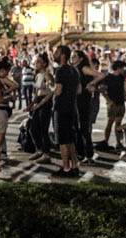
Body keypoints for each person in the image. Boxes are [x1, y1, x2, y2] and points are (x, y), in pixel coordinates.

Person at [52, 45, 80, 177]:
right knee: (71, 139)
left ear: (63, 55)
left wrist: (52, 89)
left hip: (61, 108)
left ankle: (66, 168)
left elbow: (58, 90)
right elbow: (79, 90)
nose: (54, 54)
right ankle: (75, 165)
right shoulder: (74, 71)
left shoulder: (60, 70)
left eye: (57, 52)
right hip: (72, 108)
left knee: (63, 140)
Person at [96, 60, 126, 151]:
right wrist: (109, 100)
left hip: (121, 103)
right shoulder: (108, 77)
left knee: (118, 124)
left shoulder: (121, 77)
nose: (124, 70)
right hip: (113, 104)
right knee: (110, 123)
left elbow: (123, 90)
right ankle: (106, 142)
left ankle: (118, 143)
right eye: (123, 68)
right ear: (118, 68)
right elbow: (101, 90)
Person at [26, 52, 53, 162]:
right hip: (38, 101)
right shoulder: (37, 75)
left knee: (43, 129)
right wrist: (31, 104)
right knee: (33, 128)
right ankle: (39, 150)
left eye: (39, 62)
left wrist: (40, 104)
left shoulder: (47, 74)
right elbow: (36, 92)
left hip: (45, 102)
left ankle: (46, 154)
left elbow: (52, 91)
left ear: (45, 64)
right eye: (36, 61)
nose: (36, 63)